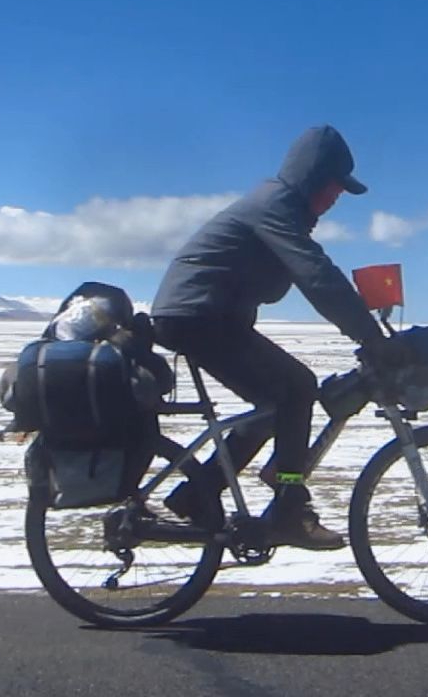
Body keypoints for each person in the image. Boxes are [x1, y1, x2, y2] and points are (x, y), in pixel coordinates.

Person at [149, 124, 395, 550]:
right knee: (297, 387)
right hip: (197, 316)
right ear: (313, 177)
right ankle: (288, 504)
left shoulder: (281, 210)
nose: (336, 198)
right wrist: (371, 338)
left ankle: (199, 493)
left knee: (273, 406)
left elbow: (302, 279)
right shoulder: (274, 206)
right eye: (334, 187)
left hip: (203, 316)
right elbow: (317, 277)